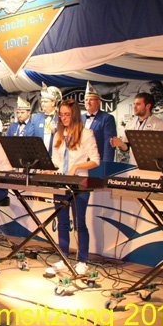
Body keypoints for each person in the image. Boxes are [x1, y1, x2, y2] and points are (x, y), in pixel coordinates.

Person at [44, 99, 100, 277]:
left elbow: (95, 160)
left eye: (67, 115)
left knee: (79, 223)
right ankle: (63, 257)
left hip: (79, 185)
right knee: (61, 222)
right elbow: (55, 160)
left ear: (74, 115)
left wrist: (77, 167)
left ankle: (83, 261)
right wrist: (49, 169)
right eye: (61, 115)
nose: (64, 118)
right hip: (61, 183)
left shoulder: (86, 134)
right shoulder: (58, 135)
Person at [110, 92, 163, 165]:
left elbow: (162, 150)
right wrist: (120, 144)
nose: (134, 107)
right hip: (133, 165)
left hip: (152, 166)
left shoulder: (159, 124)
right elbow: (126, 147)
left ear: (148, 106)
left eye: (138, 104)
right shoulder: (130, 123)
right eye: (134, 104)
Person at [81, 81, 117, 163]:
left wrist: (106, 165)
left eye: (91, 100)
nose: (88, 102)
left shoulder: (107, 118)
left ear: (99, 102)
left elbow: (109, 144)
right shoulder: (80, 118)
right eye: (86, 100)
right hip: (81, 162)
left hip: (97, 162)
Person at [32, 82, 62, 154]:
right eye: (42, 101)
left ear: (53, 103)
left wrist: (56, 131)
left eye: (45, 102)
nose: (42, 104)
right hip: (39, 156)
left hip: (56, 155)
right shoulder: (36, 118)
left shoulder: (61, 117)